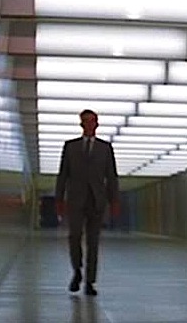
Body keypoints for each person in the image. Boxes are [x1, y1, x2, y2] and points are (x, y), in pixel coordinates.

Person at [55, 109, 119, 296]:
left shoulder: (105, 148)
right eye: (86, 121)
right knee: (74, 236)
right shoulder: (70, 147)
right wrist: (59, 198)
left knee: (93, 242)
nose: (89, 124)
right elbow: (63, 174)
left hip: (97, 201)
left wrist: (114, 200)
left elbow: (111, 176)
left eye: (92, 121)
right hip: (75, 200)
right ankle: (77, 271)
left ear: (97, 124)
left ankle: (90, 282)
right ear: (81, 124)